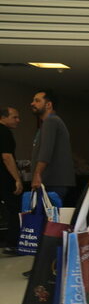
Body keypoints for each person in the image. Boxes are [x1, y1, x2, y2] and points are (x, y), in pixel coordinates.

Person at [29, 89, 75, 204]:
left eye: (37, 101)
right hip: (52, 181)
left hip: (52, 182)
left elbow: (46, 151)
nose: (32, 103)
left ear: (48, 105)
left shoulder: (51, 121)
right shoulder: (49, 123)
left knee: (49, 220)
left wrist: (37, 174)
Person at [1, 106, 24, 253]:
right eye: (14, 117)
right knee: (14, 209)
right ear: (3, 117)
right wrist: (17, 179)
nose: (18, 120)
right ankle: (12, 243)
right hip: (4, 178)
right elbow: (7, 156)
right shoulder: (4, 132)